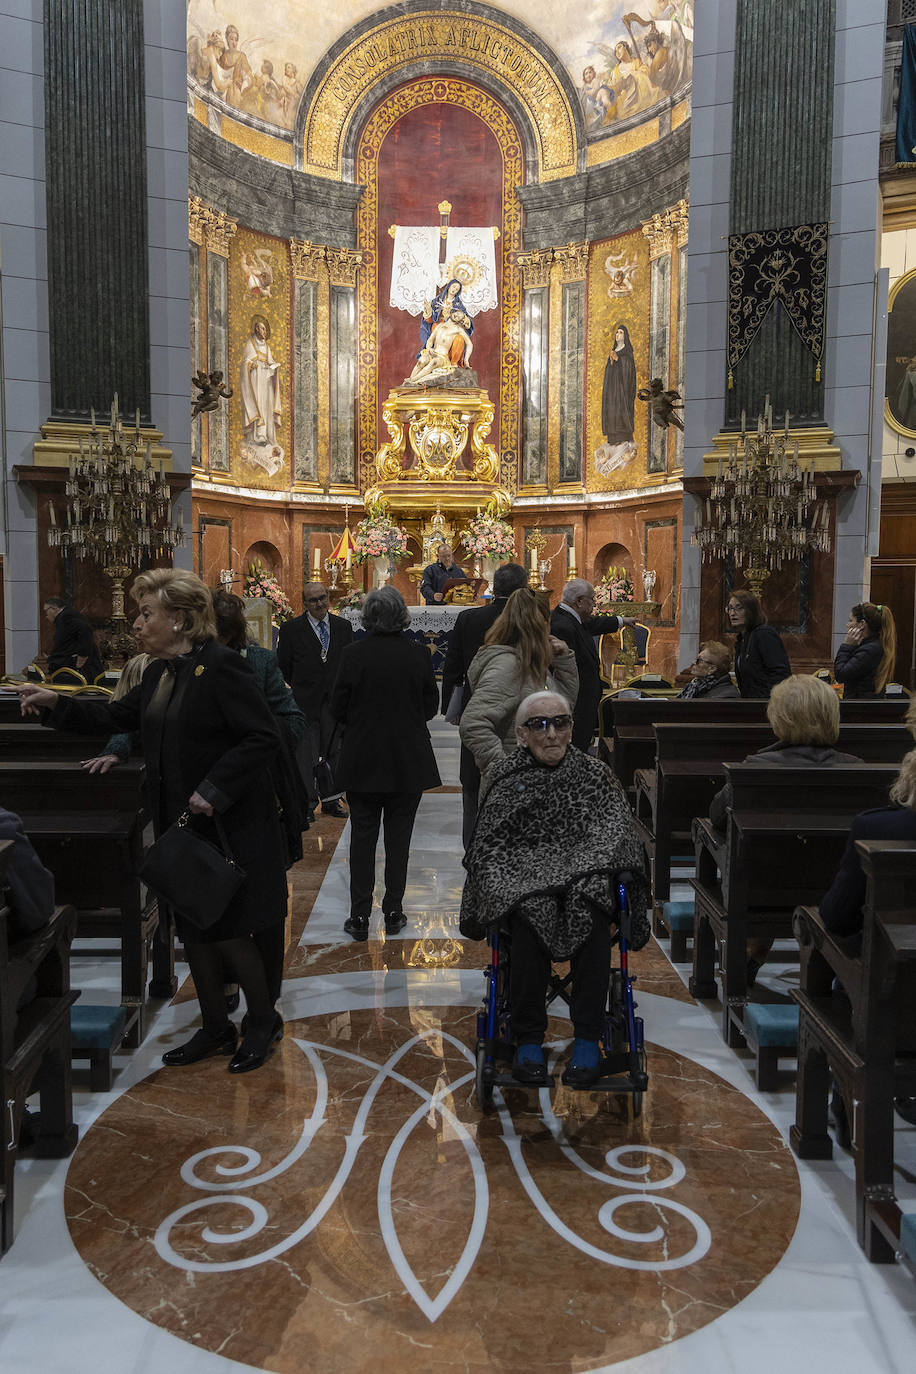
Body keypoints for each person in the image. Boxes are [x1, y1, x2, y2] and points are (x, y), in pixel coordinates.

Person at [20, 569, 287, 1075]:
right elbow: (116, 717)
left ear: (181, 620)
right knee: (194, 928)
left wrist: (214, 789)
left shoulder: (223, 667)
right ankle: (214, 1025)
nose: (137, 624)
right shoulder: (161, 674)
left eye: (147, 613)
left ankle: (261, 1021)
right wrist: (59, 704)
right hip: (179, 825)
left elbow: (261, 737)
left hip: (227, 825)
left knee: (230, 930)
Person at [460, 690, 650, 1086]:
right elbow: (489, 845)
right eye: (539, 725)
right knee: (531, 910)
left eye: (560, 723)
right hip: (526, 881)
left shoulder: (594, 774)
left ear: (572, 728)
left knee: (592, 906)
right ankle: (529, 1038)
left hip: (585, 875)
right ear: (521, 734)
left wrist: (584, 869)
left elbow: (618, 835)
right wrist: (516, 879)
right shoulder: (505, 776)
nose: (551, 734)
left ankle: (586, 1038)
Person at [708, 673, 862, 986]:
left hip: (761, 891)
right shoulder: (858, 769)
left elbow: (716, 817)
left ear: (779, 718)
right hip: (835, 895)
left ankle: (753, 951)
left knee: (766, 855)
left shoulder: (754, 767)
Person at [330, 586, 440, 941]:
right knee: (399, 836)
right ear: (402, 616)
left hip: (363, 756)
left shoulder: (352, 654)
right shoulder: (419, 654)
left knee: (362, 836)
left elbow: (337, 707)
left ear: (369, 616)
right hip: (407, 756)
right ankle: (393, 909)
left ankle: (359, 914)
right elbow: (430, 707)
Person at [440, 562, 528, 846]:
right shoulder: (529, 619)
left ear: (495, 587)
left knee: (473, 778)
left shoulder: (469, 618)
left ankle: (471, 844)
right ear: (523, 590)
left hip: (475, 705)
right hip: (520, 708)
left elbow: (452, 667)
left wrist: (451, 709)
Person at [460, 587, 579, 787]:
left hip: (538, 779)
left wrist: (564, 662)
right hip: (519, 786)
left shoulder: (528, 662)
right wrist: (505, 771)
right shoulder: (509, 665)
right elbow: (473, 724)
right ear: (540, 625)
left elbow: (563, 708)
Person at [276, 581, 353, 820]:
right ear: (304, 604)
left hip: (334, 701)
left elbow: (348, 662)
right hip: (305, 701)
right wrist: (304, 687)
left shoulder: (343, 626)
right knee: (305, 755)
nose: (319, 603)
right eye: (313, 600)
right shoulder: (290, 630)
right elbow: (285, 666)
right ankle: (307, 804)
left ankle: (332, 800)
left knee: (334, 752)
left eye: (323, 597)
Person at [550, 579, 636, 751]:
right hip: (576, 704)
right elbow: (567, 672)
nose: (594, 605)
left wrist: (622, 621)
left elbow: (592, 624)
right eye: (592, 600)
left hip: (583, 701)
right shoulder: (562, 625)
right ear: (580, 601)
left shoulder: (570, 617)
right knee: (575, 748)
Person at [727, 589, 791, 698]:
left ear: (751, 610)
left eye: (739, 608)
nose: (733, 613)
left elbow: (781, 675)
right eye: (730, 608)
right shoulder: (742, 639)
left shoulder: (764, 634)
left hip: (767, 704)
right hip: (750, 705)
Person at [833, 601, 897, 698]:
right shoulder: (872, 646)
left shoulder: (869, 650)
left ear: (862, 624)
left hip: (861, 706)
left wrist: (846, 646)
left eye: (851, 620)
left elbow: (841, 674)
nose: (847, 625)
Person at [240, 314, 281, 451]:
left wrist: (274, 368)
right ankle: (257, 435)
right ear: (256, 329)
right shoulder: (250, 344)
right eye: (262, 329)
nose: (264, 332)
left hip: (266, 382)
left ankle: (268, 435)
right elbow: (246, 361)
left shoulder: (267, 348)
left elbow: (271, 362)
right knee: (258, 405)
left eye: (265, 329)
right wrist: (250, 365)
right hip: (255, 381)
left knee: (266, 407)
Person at [43, 596, 103, 682]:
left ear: (53, 608)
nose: (46, 615)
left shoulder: (67, 617)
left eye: (46, 611)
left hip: (76, 666)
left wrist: (82, 656)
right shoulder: (64, 617)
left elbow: (85, 630)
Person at [419, 279, 474, 365]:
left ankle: (453, 363)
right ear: (449, 286)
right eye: (453, 287)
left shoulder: (459, 305)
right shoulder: (437, 300)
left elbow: (465, 319)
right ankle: (434, 355)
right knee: (435, 329)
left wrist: (466, 320)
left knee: (459, 339)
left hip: (452, 327)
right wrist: (428, 311)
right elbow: (430, 320)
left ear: (458, 292)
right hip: (439, 325)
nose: (454, 289)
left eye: (457, 289)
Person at [601, 324, 637, 448]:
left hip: (623, 390)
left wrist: (618, 360)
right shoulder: (613, 351)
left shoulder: (627, 352)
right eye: (617, 333)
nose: (618, 335)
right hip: (612, 389)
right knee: (612, 409)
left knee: (621, 410)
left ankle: (623, 437)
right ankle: (612, 437)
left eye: (620, 332)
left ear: (625, 335)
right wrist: (611, 363)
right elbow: (608, 372)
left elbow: (629, 371)